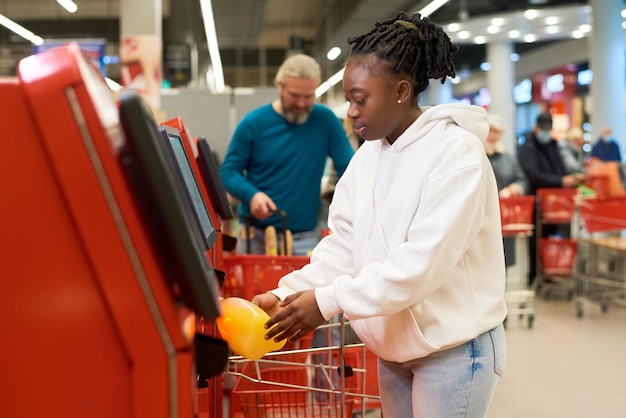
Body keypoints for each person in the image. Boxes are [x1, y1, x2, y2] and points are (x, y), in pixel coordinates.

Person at [252, 11, 507, 418]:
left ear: (402, 90)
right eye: (349, 99)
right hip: (394, 349)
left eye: (359, 98)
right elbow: (344, 246)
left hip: (454, 351)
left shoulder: (456, 154)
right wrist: (288, 294)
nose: (350, 111)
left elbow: (418, 267)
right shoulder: (370, 155)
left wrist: (327, 301)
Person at [219, 53, 355, 256]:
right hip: (256, 237)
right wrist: (252, 195)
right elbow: (228, 172)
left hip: (304, 238)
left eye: (308, 97)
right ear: (280, 86)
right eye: (294, 95)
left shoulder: (325, 121)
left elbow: (350, 167)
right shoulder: (254, 123)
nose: (301, 104)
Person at [518, 112, 587, 285]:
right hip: (537, 200)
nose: (546, 133)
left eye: (549, 130)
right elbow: (533, 175)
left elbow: (560, 167)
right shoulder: (527, 147)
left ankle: (549, 274)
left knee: (551, 239)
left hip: (556, 201)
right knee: (536, 242)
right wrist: (561, 181)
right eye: (543, 129)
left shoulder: (554, 144)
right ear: (536, 127)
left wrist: (572, 178)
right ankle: (534, 277)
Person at [485, 114, 528, 268]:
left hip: (505, 220)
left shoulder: (508, 158)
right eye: (490, 130)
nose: (493, 136)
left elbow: (521, 179)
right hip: (483, 221)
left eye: (497, 132)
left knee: (503, 263)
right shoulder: (475, 155)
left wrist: (513, 188)